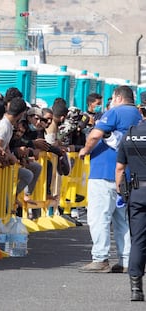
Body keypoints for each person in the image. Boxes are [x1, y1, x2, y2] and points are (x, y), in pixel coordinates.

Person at [78, 85, 142, 273]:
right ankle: (125, 260)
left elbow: (95, 134)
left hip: (104, 172)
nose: (111, 102)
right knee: (121, 220)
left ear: (118, 98)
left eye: (112, 98)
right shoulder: (137, 116)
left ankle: (100, 258)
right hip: (125, 175)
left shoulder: (115, 112)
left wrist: (85, 150)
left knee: (99, 217)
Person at [116, 102, 146, 301]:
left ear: (141, 110)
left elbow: (120, 169)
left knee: (138, 241)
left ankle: (136, 289)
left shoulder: (130, 134)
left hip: (138, 192)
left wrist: (123, 192)